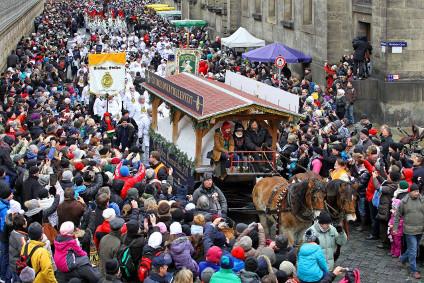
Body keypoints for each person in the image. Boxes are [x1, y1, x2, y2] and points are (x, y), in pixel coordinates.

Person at [394, 183, 424, 279]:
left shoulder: (422, 200)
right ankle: (413, 270)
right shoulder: (404, 202)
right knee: (413, 251)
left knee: (412, 249)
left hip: (420, 229)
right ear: (410, 192)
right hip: (409, 231)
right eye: (415, 191)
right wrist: (395, 228)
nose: (417, 193)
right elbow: (397, 216)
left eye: (418, 191)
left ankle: (402, 259)